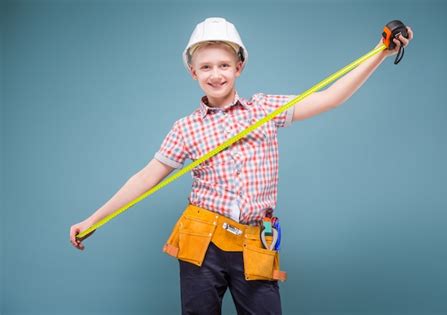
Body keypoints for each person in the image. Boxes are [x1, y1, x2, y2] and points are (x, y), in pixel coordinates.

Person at [70, 17, 413, 314]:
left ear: (239, 67)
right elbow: (146, 177)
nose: (215, 74)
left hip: (255, 240)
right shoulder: (186, 128)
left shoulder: (264, 109)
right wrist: (93, 219)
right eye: (206, 67)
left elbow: (331, 97)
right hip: (201, 241)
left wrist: (380, 52)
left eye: (223, 65)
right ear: (193, 73)